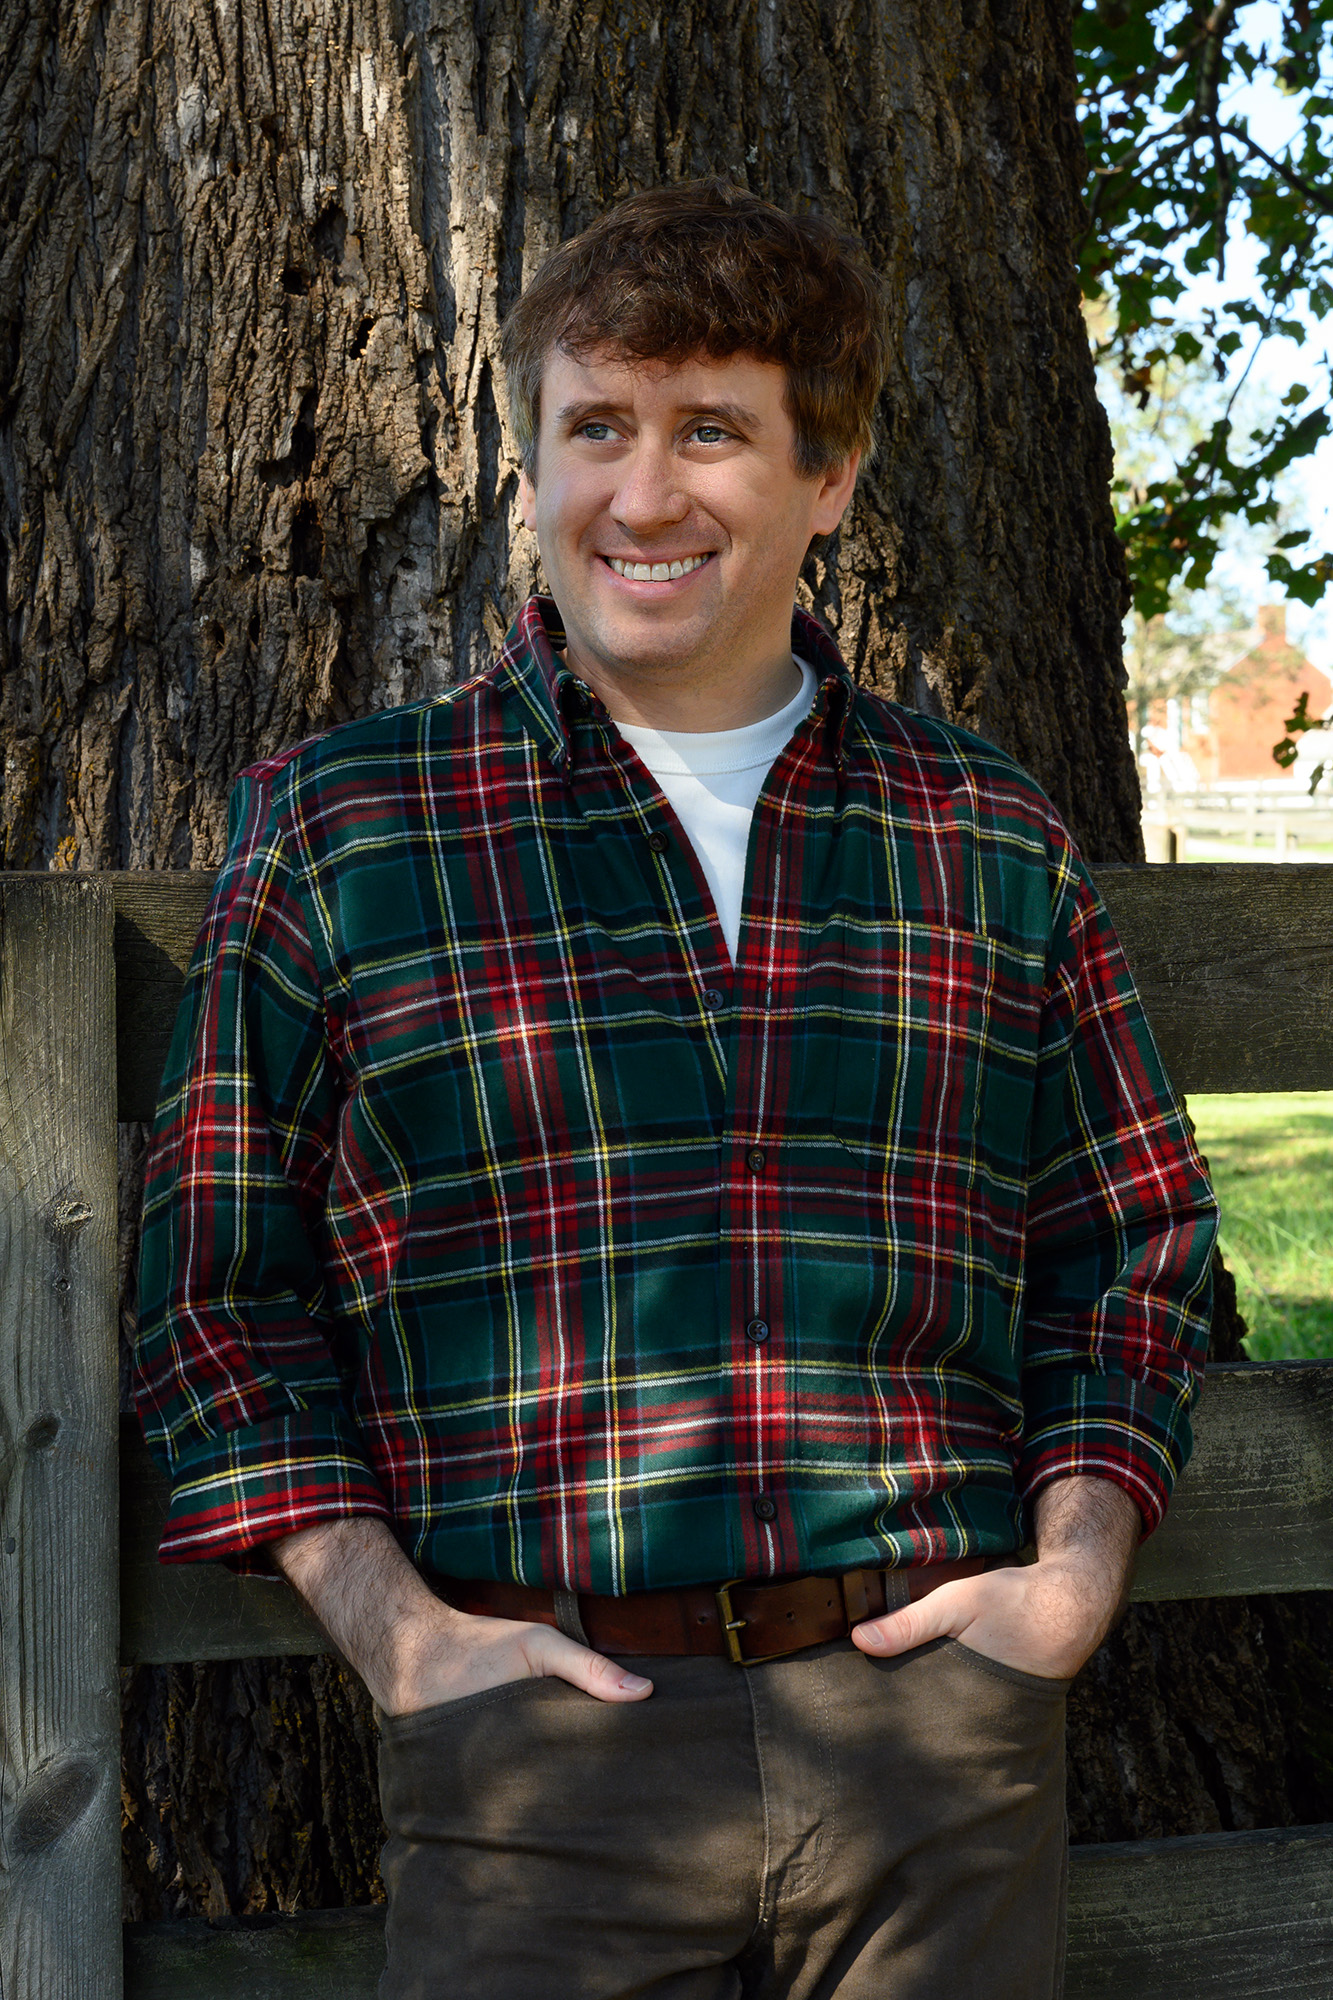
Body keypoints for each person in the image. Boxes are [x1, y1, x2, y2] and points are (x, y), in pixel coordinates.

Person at [135, 180, 1218, 2000]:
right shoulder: (349, 829)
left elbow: (1135, 1251)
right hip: (535, 1761)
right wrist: (398, 1637)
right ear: (535, 460)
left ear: (829, 477)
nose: (640, 497)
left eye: (710, 431)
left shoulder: (983, 833)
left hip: (935, 1751)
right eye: (596, 429)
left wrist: (1065, 1587)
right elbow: (214, 1293)